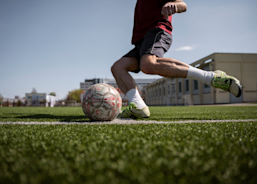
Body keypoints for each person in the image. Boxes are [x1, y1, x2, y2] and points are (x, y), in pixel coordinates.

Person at [111, 0, 242, 119]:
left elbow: (183, 5)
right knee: (118, 67)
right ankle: (138, 106)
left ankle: (212, 77)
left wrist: (174, 6)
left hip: (157, 30)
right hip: (141, 41)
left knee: (148, 64)